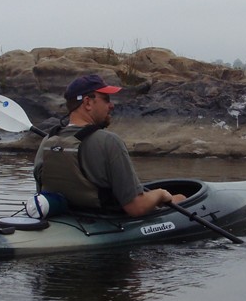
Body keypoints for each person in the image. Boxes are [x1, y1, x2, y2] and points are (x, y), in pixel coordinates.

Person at [33, 74, 185, 216]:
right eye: (106, 99)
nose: (111, 105)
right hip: (106, 220)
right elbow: (136, 207)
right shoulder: (109, 142)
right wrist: (160, 194)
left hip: (68, 217)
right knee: (181, 198)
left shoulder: (47, 141)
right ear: (87, 103)